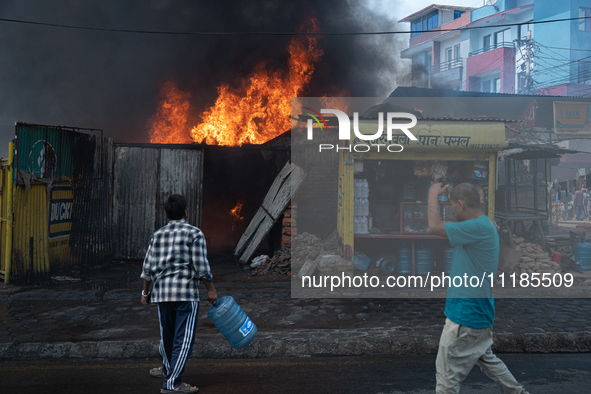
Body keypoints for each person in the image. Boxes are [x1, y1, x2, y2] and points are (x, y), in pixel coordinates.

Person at [428, 182, 529, 394]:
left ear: (461, 204)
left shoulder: (477, 227)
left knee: (446, 379)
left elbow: (434, 227)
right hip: (480, 312)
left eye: (452, 205)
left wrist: (432, 194)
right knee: (488, 360)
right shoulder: (485, 224)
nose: (452, 210)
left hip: (464, 316)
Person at [141, 194, 218, 394]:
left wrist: (144, 293)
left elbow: (147, 267)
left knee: (167, 336)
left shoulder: (157, 235)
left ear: (167, 213)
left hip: (162, 294)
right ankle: (172, 383)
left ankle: (168, 369)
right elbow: (201, 266)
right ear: (185, 212)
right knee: (183, 340)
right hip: (185, 294)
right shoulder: (194, 234)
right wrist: (211, 288)